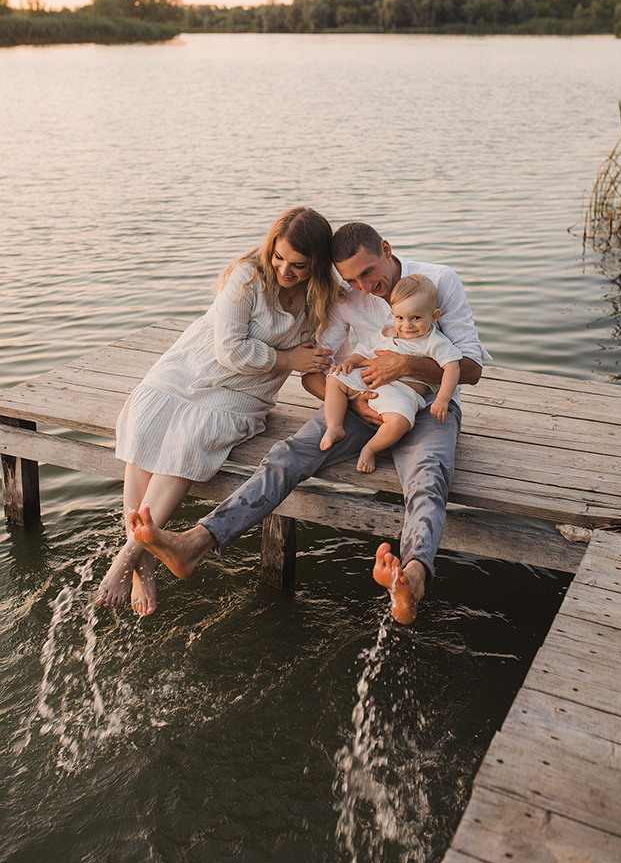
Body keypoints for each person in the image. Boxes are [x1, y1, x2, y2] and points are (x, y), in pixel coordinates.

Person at [127, 222, 491, 625]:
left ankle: (413, 579)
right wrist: (354, 405)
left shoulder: (439, 281)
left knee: (428, 476)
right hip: (363, 404)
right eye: (351, 278)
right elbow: (315, 373)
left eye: (369, 273)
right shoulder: (347, 297)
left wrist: (405, 364)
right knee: (287, 456)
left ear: (386, 250)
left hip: (428, 409)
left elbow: (471, 370)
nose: (364, 286)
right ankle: (196, 542)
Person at [95, 207, 340, 616]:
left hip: (245, 391)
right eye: (279, 258)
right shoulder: (247, 275)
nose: (285, 270)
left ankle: (127, 558)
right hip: (193, 365)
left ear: (317, 263)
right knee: (145, 421)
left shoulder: (323, 297)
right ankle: (145, 561)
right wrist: (288, 359)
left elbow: (321, 356)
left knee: (191, 439)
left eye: (298, 265)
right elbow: (229, 349)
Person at [320, 273, 462, 473]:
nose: (407, 325)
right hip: (369, 382)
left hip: (402, 394)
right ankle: (334, 426)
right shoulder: (387, 332)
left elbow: (452, 367)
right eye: (400, 318)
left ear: (434, 316)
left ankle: (370, 448)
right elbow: (364, 349)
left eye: (416, 318)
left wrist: (443, 399)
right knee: (334, 378)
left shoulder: (434, 342)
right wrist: (350, 361)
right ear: (392, 314)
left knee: (399, 423)